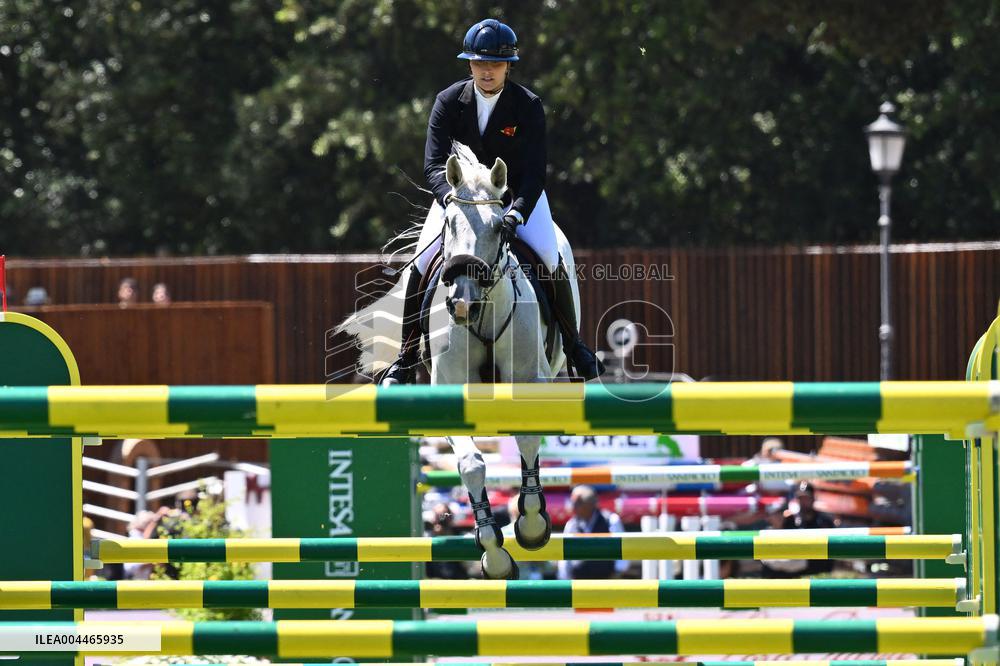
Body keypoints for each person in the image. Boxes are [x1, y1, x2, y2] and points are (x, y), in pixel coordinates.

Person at [377, 18, 603, 386]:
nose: (486, 71)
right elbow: (433, 165)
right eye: (480, 63)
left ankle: (574, 345)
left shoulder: (527, 105)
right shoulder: (448, 101)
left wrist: (517, 214)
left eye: (495, 64)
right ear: (469, 63)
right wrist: (450, 199)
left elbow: (535, 173)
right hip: (459, 199)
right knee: (418, 264)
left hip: (517, 197)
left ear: (508, 66)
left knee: (550, 257)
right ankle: (404, 358)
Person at [557, 485, 628, 579]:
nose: (573, 507)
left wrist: (616, 575)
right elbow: (565, 558)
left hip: (606, 581)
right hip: (578, 583)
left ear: (590, 504)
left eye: (578, 503)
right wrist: (565, 579)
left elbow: (622, 552)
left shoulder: (611, 520)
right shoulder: (571, 525)